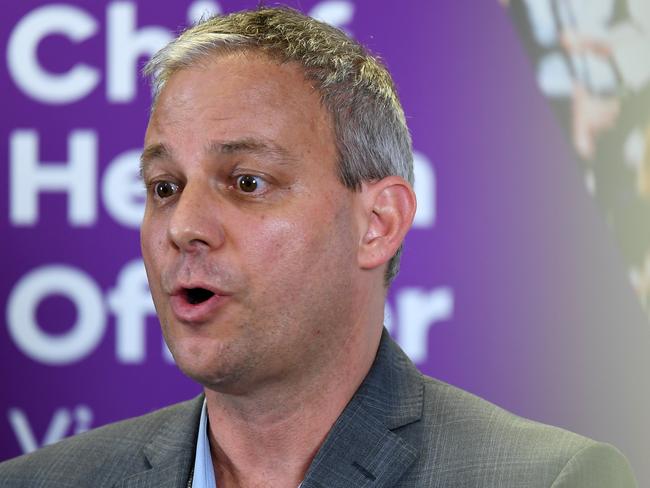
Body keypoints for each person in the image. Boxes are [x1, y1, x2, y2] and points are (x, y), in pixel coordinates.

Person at [0, 7, 637, 488]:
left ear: (378, 223)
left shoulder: (547, 481)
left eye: (247, 181)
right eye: (164, 187)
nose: (182, 225)